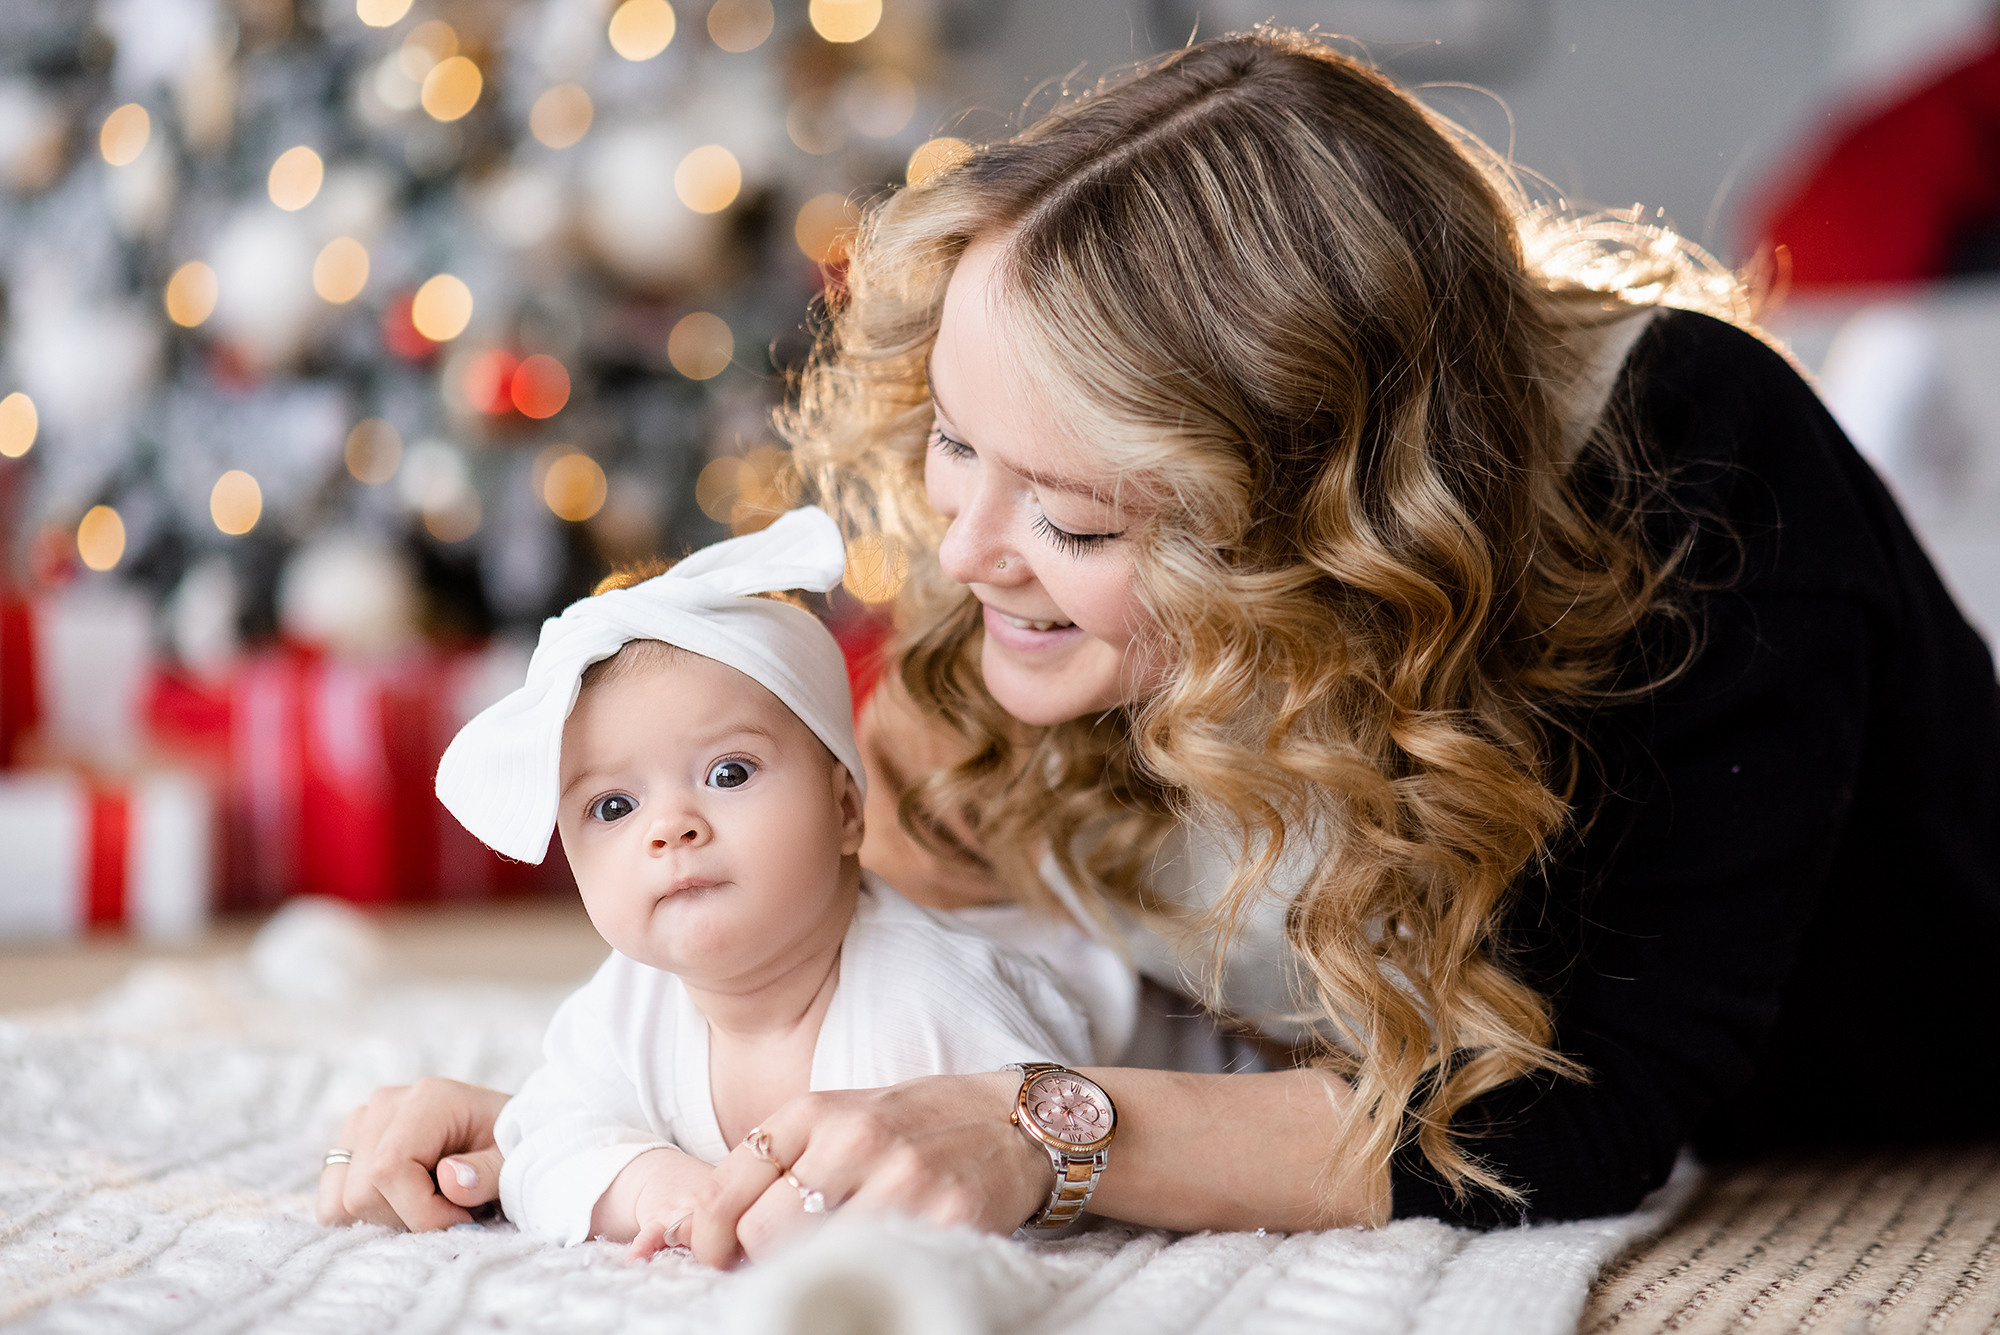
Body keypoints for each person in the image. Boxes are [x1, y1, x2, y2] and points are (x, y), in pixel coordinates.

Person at [318, 29, 2000, 1264]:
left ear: (1313, 529)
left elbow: (1571, 1115)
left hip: (1889, 1091)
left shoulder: (1704, 485)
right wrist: (562, 1125)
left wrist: (1044, 1125)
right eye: (958, 445)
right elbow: (835, 933)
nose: (965, 557)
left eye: (1076, 516)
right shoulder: (1019, 565)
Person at [363, 507, 1096, 1253]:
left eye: (729, 772)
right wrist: (652, 1181)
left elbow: (1045, 1149)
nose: (670, 826)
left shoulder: (929, 1002)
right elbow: (539, 1140)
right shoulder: (628, 1002)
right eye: (613, 805)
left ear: (847, 807)